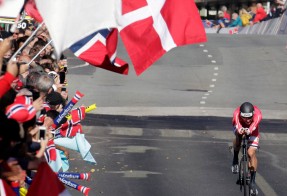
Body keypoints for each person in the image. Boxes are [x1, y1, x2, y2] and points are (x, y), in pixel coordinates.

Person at [231, 102, 262, 195]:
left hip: (253, 128)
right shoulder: (236, 113)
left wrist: (249, 129)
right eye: (245, 117)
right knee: (239, 136)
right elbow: (237, 124)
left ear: (253, 113)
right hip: (239, 124)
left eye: (249, 117)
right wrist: (240, 130)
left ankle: (252, 182)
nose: (247, 120)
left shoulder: (258, 114)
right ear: (240, 114)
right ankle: (235, 158)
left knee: (251, 153)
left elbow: (254, 124)